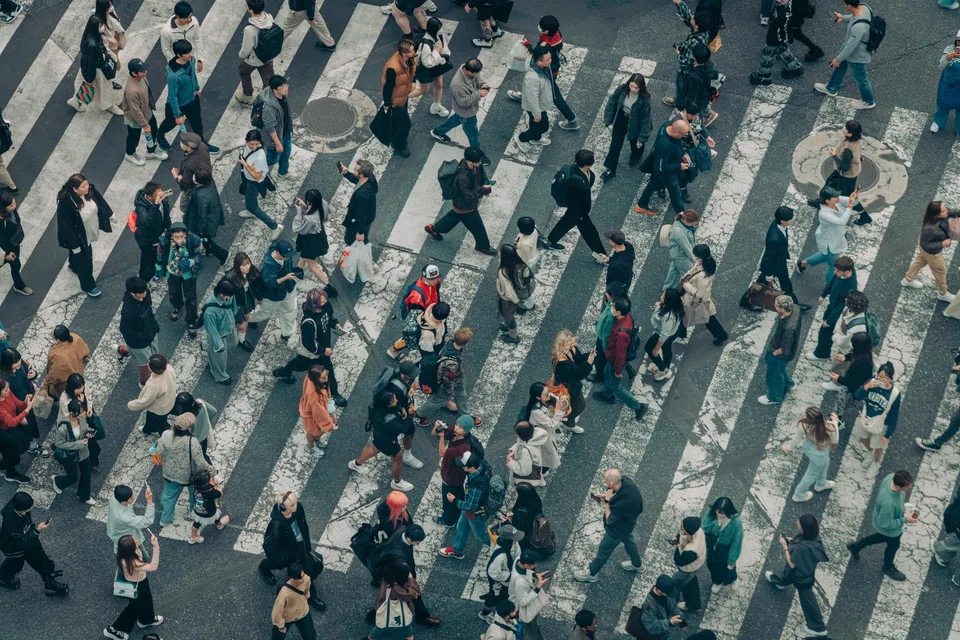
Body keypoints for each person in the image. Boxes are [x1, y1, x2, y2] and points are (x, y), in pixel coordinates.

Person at [273, 288, 347, 408]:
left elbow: (330, 317)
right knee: (324, 369)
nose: (325, 303)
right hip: (315, 351)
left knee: (303, 364)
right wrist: (324, 351)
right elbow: (309, 344)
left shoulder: (326, 305)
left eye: (325, 300)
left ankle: (284, 372)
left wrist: (335, 324)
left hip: (322, 347)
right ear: (314, 304)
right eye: (322, 302)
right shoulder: (308, 322)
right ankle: (335, 394)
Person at [259, 491, 326, 612]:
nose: (296, 506)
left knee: (307, 573)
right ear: (283, 507)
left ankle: (312, 595)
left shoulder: (298, 508)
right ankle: (263, 568)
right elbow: (270, 546)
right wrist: (284, 558)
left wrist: (307, 545)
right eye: (292, 505)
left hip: (300, 549)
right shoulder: (276, 525)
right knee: (273, 564)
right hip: (287, 554)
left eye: (295, 503)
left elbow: (304, 526)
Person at [508, 16, 579, 130]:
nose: (540, 28)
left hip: (546, 70)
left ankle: (572, 120)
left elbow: (536, 54)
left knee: (554, 95)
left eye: (542, 28)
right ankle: (525, 96)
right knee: (535, 86)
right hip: (552, 68)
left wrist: (527, 45)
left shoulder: (545, 45)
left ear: (547, 31)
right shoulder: (556, 34)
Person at [573, 469, 644, 582]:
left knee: (603, 551)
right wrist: (606, 495)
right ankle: (637, 564)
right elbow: (615, 492)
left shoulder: (622, 503)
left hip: (616, 530)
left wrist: (607, 502)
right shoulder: (625, 481)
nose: (605, 483)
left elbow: (610, 520)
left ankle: (591, 573)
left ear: (611, 483)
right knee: (629, 542)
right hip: (628, 524)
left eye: (606, 481)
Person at [765, 514, 829, 637]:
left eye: (799, 524)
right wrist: (791, 542)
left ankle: (818, 627)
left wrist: (785, 546)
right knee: (787, 575)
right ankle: (778, 581)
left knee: (807, 599)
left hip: (801, 577)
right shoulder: (813, 536)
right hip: (806, 570)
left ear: (804, 529)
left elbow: (792, 563)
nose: (796, 523)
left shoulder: (801, 549)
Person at [847, 469, 916, 581]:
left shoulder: (891, 476)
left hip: (886, 517)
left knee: (879, 538)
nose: (910, 487)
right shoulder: (889, 504)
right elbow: (885, 523)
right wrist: (905, 519)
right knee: (893, 545)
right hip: (890, 529)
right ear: (899, 487)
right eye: (907, 486)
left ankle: (856, 546)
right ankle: (888, 567)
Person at [424, 147, 495, 255]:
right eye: (478, 161)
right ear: (470, 161)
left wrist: (485, 184)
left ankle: (434, 229)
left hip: (462, 206)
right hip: (466, 207)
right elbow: (468, 196)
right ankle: (483, 246)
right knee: (478, 227)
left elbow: (482, 174)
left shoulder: (472, 164)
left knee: (453, 218)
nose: (481, 162)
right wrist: (484, 189)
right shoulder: (462, 178)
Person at [157, 40, 219, 153]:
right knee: (169, 123)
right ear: (179, 55)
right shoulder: (173, 76)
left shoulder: (190, 61)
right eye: (187, 53)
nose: (191, 55)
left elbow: (193, 75)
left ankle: (203, 144)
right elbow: (173, 96)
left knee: (197, 124)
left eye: (191, 52)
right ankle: (159, 135)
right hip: (178, 105)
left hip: (192, 100)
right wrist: (177, 115)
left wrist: (196, 88)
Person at [55, 174, 112, 297]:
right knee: (85, 260)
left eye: (86, 184)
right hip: (79, 236)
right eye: (83, 186)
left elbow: (100, 200)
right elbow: (66, 227)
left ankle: (74, 265)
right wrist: (75, 245)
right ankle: (89, 286)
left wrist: (110, 214)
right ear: (75, 189)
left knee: (79, 256)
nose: (87, 187)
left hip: (89, 228)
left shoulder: (89, 191)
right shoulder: (66, 204)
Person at [0, 492, 68, 595]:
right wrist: (37, 530)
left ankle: (50, 583)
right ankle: (4, 577)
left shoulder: (15, 505)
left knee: (42, 561)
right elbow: (23, 543)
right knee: (16, 563)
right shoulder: (13, 523)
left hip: (25, 537)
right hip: (14, 545)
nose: (31, 509)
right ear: (21, 509)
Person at [348, 391, 416, 492]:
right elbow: (403, 428)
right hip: (388, 439)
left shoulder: (378, 408)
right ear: (387, 405)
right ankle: (397, 482)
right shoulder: (388, 419)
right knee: (398, 457)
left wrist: (401, 407)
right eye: (393, 401)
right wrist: (410, 415)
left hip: (380, 434)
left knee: (376, 448)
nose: (396, 401)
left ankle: (356, 464)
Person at [814, 0, 876, 109]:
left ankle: (868, 101)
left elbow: (850, 48)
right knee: (841, 68)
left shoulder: (858, 28)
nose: (843, 5)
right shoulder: (865, 7)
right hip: (854, 52)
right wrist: (843, 18)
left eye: (844, 4)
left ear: (850, 6)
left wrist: (837, 59)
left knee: (861, 79)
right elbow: (854, 17)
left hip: (857, 57)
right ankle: (831, 88)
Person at [155, 412, 213, 526]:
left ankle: (165, 519)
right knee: (194, 494)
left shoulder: (166, 435)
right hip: (188, 475)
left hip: (169, 473)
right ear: (189, 427)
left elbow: (158, 452)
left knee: (169, 495)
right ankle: (193, 513)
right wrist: (212, 471)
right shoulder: (192, 442)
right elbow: (200, 462)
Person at [593, 298, 648, 417]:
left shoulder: (622, 333)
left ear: (618, 312)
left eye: (613, 307)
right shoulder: (627, 317)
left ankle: (638, 407)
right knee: (607, 373)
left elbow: (620, 354)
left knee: (616, 386)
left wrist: (618, 371)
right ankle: (607, 394)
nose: (611, 308)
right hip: (611, 356)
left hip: (614, 359)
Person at [545, 150, 606, 259]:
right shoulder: (578, 183)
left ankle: (550, 242)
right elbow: (578, 199)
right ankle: (601, 256)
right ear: (588, 165)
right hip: (579, 210)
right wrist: (582, 213)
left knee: (565, 223)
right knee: (590, 233)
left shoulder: (575, 169)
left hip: (575, 209)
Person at [431, 58, 490, 164]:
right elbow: (464, 102)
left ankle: (437, 132)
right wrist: (478, 94)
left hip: (461, 112)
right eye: (475, 73)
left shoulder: (466, 67)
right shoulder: (457, 85)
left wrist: (482, 84)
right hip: (466, 113)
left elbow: (477, 78)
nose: (477, 75)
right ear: (469, 71)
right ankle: (478, 154)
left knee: (455, 120)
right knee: (473, 135)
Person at [104, 533, 163, 639]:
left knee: (147, 600)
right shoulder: (132, 562)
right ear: (131, 549)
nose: (136, 540)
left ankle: (146, 620)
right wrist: (156, 547)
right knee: (133, 609)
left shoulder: (125, 555)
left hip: (141, 581)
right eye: (134, 541)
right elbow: (153, 566)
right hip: (137, 586)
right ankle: (114, 629)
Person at [418, 327, 480, 425]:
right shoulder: (452, 364)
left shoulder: (448, 342)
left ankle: (466, 415)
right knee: (437, 401)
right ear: (466, 343)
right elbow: (448, 381)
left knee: (462, 395)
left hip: (457, 378)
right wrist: (449, 393)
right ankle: (419, 413)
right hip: (448, 383)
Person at [797, 186, 857, 286]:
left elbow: (851, 201)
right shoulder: (824, 213)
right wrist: (850, 206)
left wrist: (852, 198)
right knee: (834, 266)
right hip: (830, 243)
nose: (838, 197)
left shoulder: (835, 201)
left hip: (834, 239)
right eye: (835, 196)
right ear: (828, 201)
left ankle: (803, 263)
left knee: (824, 256)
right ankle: (829, 285)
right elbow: (841, 221)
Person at [902, 201, 959, 302]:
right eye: (943, 211)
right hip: (932, 251)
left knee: (921, 260)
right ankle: (943, 293)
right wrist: (942, 244)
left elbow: (952, 212)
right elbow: (925, 245)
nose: (947, 211)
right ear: (937, 214)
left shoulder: (940, 214)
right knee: (941, 271)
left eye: (945, 208)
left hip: (925, 246)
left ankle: (907, 279)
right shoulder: (930, 229)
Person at [438, 451, 492, 558]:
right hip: (470, 511)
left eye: (464, 466)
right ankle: (457, 550)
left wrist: (454, 500)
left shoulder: (476, 485)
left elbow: (470, 506)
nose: (462, 468)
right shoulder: (482, 465)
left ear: (471, 468)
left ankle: (501, 547)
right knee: (461, 528)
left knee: (482, 535)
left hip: (475, 514)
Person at [633, 119, 691, 218]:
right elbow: (662, 166)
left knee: (653, 183)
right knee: (675, 192)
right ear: (676, 132)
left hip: (659, 168)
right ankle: (682, 215)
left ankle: (641, 205)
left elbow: (678, 142)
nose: (684, 136)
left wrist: (683, 153)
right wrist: (679, 166)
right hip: (667, 173)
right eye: (683, 134)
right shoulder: (665, 145)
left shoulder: (666, 125)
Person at [852, 362, 901, 476]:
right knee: (863, 439)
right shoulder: (871, 383)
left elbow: (894, 414)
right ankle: (870, 453)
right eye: (880, 376)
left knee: (877, 446)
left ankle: (875, 463)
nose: (882, 380)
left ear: (891, 379)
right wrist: (866, 387)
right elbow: (857, 396)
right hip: (866, 417)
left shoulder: (895, 394)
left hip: (881, 423)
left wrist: (887, 434)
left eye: (885, 377)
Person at [782, 407, 840, 502]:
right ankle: (799, 494)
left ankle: (821, 484)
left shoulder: (803, 424)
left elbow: (797, 438)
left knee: (824, 464)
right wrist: (835, 422)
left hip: (809, 448)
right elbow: (835, 440)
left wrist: (788, 448)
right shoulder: (829, 428)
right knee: (811, 474)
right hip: (819, 454)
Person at [806, 255, 858, 361]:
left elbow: (841, 306)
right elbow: (833, 281)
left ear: (847, 271)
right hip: (832, 303)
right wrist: (824, 294)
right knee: (825, 325)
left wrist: (830, 320)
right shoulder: (842, 273)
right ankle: (825, 348)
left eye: (838, 271)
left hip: (835, 309)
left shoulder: (850, 287)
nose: (835, 272)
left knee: (824, 331)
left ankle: (822, 354)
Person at [68, 15, 122, 115]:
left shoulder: (91, 35)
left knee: (84, 88)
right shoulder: (91, 44)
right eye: (100, 25)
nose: (102, 27)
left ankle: (77, 101)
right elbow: (91, 62)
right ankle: (109, 106)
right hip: (96, 70)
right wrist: (90, 79)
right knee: (105, 89)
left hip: (90, 69)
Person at [601, 73, 652, 180]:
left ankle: (636, 155)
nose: (633, 89)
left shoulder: (644, 100)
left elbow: (646, 120)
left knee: (636, 143)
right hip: (621, 119)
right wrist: (608, 119)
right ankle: (611, 169)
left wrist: (642, 138)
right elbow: (612, 102)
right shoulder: (622, 90)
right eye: (631, 86)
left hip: (635, 123)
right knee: (615, 145)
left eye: (636, 87)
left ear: (641, 87)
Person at [159, 221, 204, 337]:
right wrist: (159, 266)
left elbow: (200, 254)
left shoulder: (194, 239)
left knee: (191, 296)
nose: (179, 238)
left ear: (185, 234)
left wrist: (191, 261)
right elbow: (160, 254)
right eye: (176, 236)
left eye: (181, 236)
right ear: (172, 235)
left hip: (188, 274)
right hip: (172, 272)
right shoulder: (165, 240)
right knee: (173, 293)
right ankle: (177, 306)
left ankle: (191, 320)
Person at [664, 0, 712, 108]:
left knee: (682, 86)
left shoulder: (694, 43)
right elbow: (688, 15)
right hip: (696, 67)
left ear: (697, 26)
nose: (692, 18)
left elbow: (687, 61)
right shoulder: (703, 32)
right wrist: (680, 3)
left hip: (686, 71)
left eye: (694, 19)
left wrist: (678, 54)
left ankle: (679, 102)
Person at [121, 58, 168, 166]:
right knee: (134, 137)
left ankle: (151, 151)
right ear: (134, 73)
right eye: (142, 71)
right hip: (135, 118)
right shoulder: (132, 90)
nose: (145, 71)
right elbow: (135, 111)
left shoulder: (142, 78)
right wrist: (145, 125)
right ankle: (130, 153)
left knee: (154, 129)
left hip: (147, 111)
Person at [381, 38, 422, 158]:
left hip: (403, 95)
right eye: (411, 50)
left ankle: (396, 137)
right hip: (396, 100)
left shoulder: (408, 59)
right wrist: (388, 103)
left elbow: (411, 70)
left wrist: (413, 81)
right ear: (404, 53)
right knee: (406, 124)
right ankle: (399, 146)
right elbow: (388, 87)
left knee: (399, 121)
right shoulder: (392, 68)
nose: (414, 52)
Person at [50, 398, 96, 504]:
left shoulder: (82, 417)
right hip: (70, 455)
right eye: (80, 413)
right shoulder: (63, 427)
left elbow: (85, 427)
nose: (83, 414)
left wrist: (89, 432)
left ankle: (84, 495)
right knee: (73, 477)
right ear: (72, 413)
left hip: (83, 452)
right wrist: (80, 444)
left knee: (86, 474)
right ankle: (58, 481)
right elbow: (59, 444)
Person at [758, 295, 802, 406]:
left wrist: (774, 353)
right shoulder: (795, 308)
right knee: (780, 370)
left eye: (776, 305)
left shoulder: (788, 329)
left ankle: (775, 397)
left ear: (783, 309)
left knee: (773, 375)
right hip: (788, 350)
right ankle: (788, 384)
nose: (774, 305)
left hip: (779, 354)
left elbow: (784, 349)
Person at [250, 240, 299, 340]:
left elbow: (289, 266)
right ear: (278, 253)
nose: (288, 258)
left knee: (291, 309)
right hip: (274, 294)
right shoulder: (269, 265)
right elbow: (270, 283)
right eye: (286, 256)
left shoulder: (286, 257)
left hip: (288, 288)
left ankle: (287, 333)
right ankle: (246, 319)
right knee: (264, 313)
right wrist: (286, 277)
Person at [0, 347, 43, 458]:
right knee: (26, 427)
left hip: (26, 400)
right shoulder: (4, 381)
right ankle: (31, 446)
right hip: (19, 407)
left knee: (31, 424)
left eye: (19, 360)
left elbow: (28, 373)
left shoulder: (20, 366)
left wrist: (33, 374)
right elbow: (9, 400)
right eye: (16, 362)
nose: (20, 363)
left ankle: (32, 444)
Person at [237, 129, 281, 237]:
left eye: (257, 144)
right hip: (247, 179)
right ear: (246, 141)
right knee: (249, 198)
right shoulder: (247, 147)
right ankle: (250, 209)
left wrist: (245, 165)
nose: (254, 146)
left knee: (253, 206)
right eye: (251, 144)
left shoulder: (260, 157)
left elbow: (257, 177)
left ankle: (274, 226)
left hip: (254, 182)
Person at [749, 0, 803, 86]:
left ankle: (763, 75)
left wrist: (780, 39)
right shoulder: (786, 6)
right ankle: (794, 66)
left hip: (777, 33)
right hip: (780, 30)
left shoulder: (783, 11)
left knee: (769, 52)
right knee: (781, 48)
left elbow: (782, 28)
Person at [681, 244, 727, 345]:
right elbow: (693, 271)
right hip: (696, 298)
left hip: (697, 299)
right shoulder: (704, 263)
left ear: (700, 258)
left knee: (707, 319)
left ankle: (721, 335)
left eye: (696, 256)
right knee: (708, 319)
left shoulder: (703, 275)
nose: (694, 257)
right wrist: (687, 275)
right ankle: (721, 335)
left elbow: (699, 294)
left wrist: (686, 285)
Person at [434, 415, 475, 527]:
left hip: (451, 476)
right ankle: (458, 510)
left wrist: (442, 437)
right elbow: (435, 433)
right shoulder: (457, 433)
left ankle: (448, 520)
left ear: (466, 431)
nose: (456, 427)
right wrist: (437, 427)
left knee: (448, 498)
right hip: (456, 475)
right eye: (457, 424)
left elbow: (442, 453)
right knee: (457, 493)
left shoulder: (463, 447)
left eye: (460, 427)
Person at [514, 43, 556, 151]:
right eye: (548, 59)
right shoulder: (532, 78)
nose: (550, 60)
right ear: (539, 61)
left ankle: (536, 138)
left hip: (540, 103)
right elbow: (532, 99)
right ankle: (522, 138)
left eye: (550, 57)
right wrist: (537, 114)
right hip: (536, 106)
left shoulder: (538, 65)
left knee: (535, 125)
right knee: (543, 126)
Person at [827, 120, 870, 225]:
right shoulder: (855, 141)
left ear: (849, 133)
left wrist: (833, 155)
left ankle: (864, 216)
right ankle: (822, 200)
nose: (843, 128)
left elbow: (844, 167)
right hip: (848, 173)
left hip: (845, 175)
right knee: (828, 185)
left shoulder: (848, 149)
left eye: (846, 128)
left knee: (849, 198)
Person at [236, 0, 279, 105]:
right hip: (268, 56)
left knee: (243, 71)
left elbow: (246, 49)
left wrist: (241, 55)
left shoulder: (249, 29)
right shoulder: (269, 18)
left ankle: (247, 95)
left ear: (250, 10)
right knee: (268, 77)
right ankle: (267, 98)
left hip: (254, 59)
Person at [292, 189, 334, 293]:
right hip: (319, 235)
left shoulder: (309, 218)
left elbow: (300, 229)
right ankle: (299, 268)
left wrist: (299, 211)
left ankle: (328, 286)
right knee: (305, 254)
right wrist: (306, 207)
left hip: (311, 241)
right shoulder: (323, 203)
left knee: (312, 264)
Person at [550, 330, 592, 431]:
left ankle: (568, 420)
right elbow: (577, 375)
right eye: (571, 344)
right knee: (580, 405)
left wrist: (589, 355)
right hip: (567, 386)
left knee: (573, 405)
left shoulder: (571, 349)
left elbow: (578, 359)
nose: (574, 345)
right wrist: (588, 363)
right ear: (563, 345)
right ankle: (566, 421)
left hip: (571, 384)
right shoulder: (562, 363)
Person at [365, 562, 419, 640]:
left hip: (383, 612)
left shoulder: (386, 581)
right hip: (399, 616)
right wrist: (411, 580)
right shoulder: (396, 589)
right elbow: (409, 594)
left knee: (377, 631)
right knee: (407, 631)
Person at [184, 168, 227, 265]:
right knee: (205, 240)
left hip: (206, 223)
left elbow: (201, 216)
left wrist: (200, 231)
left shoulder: (200, 196)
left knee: (204, 239)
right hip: (212, 217)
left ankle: (223, 254)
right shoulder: (209, 183)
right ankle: (209, 250)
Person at [480, 527, 523, 622]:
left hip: (507, 578)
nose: (517, 539)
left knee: (502, 595)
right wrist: (510, 576)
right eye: (514, 538)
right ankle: (485, 613)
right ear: (509, 540)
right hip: (498, 581)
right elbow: (493, 573)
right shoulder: (500, 556)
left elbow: (517, 554)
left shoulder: (512, 544)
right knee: (494, 596)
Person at [128, 353, 177, 435]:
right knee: (159, 419)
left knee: (157, 421)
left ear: (152, 369)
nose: (147, 364)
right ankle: (152, 429)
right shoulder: (169, 369)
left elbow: (147, 400)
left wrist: (132, 405)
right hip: (169, 399)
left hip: (159, 408)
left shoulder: (155, 385)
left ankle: (161, 433)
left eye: (148, 364)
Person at [588, 282, 627, 386]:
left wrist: (606, 349)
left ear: (610, 296)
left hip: (603, 341)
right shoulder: (616, 305)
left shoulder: (611, 315)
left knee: (599, 359)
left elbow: (606, 335)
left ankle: (600, 375)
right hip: (606, 339)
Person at [701, 496, 742, 593]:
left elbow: (736, 542)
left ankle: (732, 579)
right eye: (718, 511)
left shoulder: (736, 522)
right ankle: (717, 581)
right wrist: (717, 524)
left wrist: (732, 559)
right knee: (711, 565)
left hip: (725, 548)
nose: (719, 514)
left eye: (722, 512)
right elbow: (705, 528)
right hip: (712, 545)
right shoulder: (711, 514)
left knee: (727, 568)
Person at [496, 244, 535, 344]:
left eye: (501, 252)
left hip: (508, 299)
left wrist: (515, 301)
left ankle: (513, 336)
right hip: (519, 294)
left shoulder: (503, 272)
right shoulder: (519, 263)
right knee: (508, 315)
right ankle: (508, 327)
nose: (499, 253)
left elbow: (508, 292)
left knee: (508, 316)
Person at [133, 181, 172, 282]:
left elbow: (165, 215)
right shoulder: (141, 207)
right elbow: (148, 222)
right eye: (157, 195)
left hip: (159, 234)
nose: (161, 195)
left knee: (158, 255)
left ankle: (156, 271)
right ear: (150, 197)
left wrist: (169, 228)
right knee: (148, 258)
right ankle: (144, 277)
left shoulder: (161, 200)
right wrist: (155, 205)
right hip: (147, 239)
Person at [521, 383, 564, 473]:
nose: (549, 394)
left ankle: (543, 469)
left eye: (548, 391)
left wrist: (561, 401)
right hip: (542, 435)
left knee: (548, 453)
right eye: (546, 394)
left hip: (546, 432)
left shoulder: (545, 398)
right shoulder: (536, 412)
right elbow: (552, 424)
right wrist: (559, 410)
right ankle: (543, 471)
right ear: (538, 397)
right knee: (546, 454)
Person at [202, 279, 238, 385]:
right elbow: (211, 329)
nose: (230, 298)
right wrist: (218, 345)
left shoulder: (228, 296)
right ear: (221, 294)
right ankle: (219, 375)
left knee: (233, 343)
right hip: (218, 334)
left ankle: (207, 345)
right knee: (220, 357)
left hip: (228, 326)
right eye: (228, 296)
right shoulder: (210, 311)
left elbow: (233, 305)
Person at [259, 75, 295, 180]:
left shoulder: (282, 96)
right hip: (275, 138)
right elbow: (270, 127)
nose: (286, 88)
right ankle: (256, 172)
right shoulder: (269, 108)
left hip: (285, 132)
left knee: (286, 154)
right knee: (272, 159)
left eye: (285, 85)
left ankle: (283, 173)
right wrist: (278, 143)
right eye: (282, 87)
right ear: (275, 90)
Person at [510, 549, 550, 640]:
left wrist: (535, 574)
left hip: (521, 593)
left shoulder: (518, 560)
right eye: (534, 564)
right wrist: (538, 588)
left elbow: (527, 572)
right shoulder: (520, 583)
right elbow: (523, 602)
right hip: (523, 607)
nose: (536, 565)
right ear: (526, 565)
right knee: (533, 628)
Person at [41, 325, 90, 399]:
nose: (52, 331)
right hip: (78, 371)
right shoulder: (75, 338)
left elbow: (54, 374)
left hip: (65, 382)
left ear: (58, 340)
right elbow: (84, 348)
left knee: (65, 395)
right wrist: (86, 357)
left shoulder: (58, 355)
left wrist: (45, 383)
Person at [169, 131, 213, 215]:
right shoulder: (203, 146)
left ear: (188, 148)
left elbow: (186, 183)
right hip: (205, 180)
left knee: (184, 206)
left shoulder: (190, 164)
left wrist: (176, 176)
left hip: (193, 188)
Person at [226, 251, 263, 352]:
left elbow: (257, 285)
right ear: (238, 266)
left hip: (248, 297)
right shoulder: (230, 277)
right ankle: (241, 340)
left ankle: (247, 325)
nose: (247, 267)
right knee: (242, 325)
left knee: (248, 316)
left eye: (248, 263)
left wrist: (259, 298)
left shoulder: (252, 270)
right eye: (244, 265)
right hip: (237, 303)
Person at [648, 289, 687, 383]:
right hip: (673, 332)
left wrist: (656, 349)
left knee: (649, 349)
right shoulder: (677, 306)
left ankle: (663, 369)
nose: (661, 296)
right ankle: (665, 366)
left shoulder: (668, 317)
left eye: (663, 296)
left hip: (665, 335)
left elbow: (664, 334)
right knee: (666, 348)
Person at [0, 378, 34, 484]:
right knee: (12, 457)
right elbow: (11, 422)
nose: (9, 390)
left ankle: (9, 470)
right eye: (6, 389)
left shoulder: (8, 395)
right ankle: (11, 474)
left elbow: (18, 404)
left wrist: (25, 402)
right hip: (3, 434)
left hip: (11, 431)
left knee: (11, 455)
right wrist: (27, 410)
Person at [415, 18, 452, 118]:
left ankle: (436, 105)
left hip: (437, 65)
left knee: (439, 85)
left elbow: (444, 47)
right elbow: (427, 62)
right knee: (424, 91)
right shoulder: (426, 44)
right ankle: (397, 100)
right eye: (439, 28)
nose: (441, 30)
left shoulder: (438, 35)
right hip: (427, 69)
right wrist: (437, 51)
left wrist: (444, 56)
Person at [271, 564, 318, 640]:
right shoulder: (284, 594)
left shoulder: (306, 579)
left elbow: (307, 590)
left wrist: (305, 596)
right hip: (287, 618)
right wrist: (281, 626)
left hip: (303, 612)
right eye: (300, 578)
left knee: (311, 637)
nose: (303, 579)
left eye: (303, 575)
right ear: (292, 578)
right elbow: (277, 612)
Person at [677, 46, 720, 127]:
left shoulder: (693, 77)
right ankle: (708, 113)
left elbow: (691, 95)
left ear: (694, 57)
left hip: (698, 98)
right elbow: (715, 74)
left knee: (699, 109)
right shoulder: (708, 64)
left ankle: (709, 114)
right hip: (704, 93)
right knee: (702, 105)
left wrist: (681, 104)